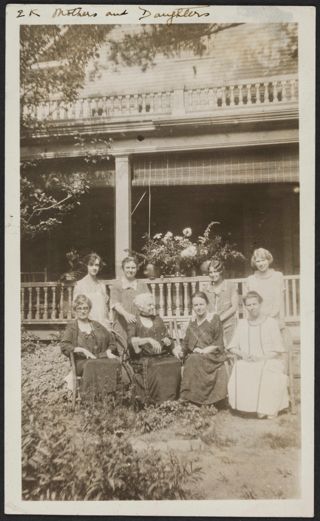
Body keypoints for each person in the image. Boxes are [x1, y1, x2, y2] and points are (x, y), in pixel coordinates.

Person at [227, 291, 289, 419]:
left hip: (270, 359)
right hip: (248, 359)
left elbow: (278, 350)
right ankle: (248, 408)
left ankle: (266, 409)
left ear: (260, 304)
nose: (252, 307)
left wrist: (261, 358)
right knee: (240, 367)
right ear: (245, 307)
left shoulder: (271, 323)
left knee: (266, 369)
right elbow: (232, 347)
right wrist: (243, 354)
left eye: (254, 304)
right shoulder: (242, 324)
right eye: (248, 305)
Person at [61, 294, 121, 401]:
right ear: (75, 310)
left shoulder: (97, 325)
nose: (83, 311)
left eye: (85, 308)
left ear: (89, 309)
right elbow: (65, 345)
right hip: (81, 362)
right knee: (92, 364)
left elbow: (112, 341)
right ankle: (90, 400)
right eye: (79, 308)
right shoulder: (72, 327)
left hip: (99, 358)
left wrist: (108, 351)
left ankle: (110, 397)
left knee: (114, 362)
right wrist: (82, 350)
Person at [126, 293, 182, 404]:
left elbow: (168, 337)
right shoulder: (134, 321)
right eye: (149, 305)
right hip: (144, 357)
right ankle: (159, 401)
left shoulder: (158, 319)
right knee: (157, 366)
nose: (153, 307)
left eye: (153, 304)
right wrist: (148, 340)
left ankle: (172, 400)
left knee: (174, 362)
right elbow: (130, 342)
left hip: (162, 355)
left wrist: (167, 340)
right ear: (141, 307)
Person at [180, 292, 228, 406]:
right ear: (193, 307)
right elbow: (186, 342)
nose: (199, 307)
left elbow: (219, 343)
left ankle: (193, 399)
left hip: (212, 355)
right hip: (196, 355)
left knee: (193, 359)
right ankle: (193, 399)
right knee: (192, 358)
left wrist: (204, 351)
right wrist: (181, 350)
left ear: (207, 304)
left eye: (201, 304)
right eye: (195, 305)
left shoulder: (214, 319)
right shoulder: (192, 322)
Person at [110, 256, 150, 354]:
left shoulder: (142, 285)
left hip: (139, 324)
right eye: (127, 267)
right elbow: (115, 304)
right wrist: (126, 314)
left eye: (133, 268)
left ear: (137, 269)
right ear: (123, 268)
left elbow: (148, 302)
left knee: (140, 352)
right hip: (122, 324)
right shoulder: (117, 285)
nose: (130, 270)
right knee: (124, 353)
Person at [244, 248, 285, 328]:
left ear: (269, 260)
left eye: (263, 260)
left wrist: (272, 319)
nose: (261, 264)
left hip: (274, 319)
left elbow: (279, 301)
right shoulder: (250, 280)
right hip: (256, 320)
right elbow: (248, 304)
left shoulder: (277, 276)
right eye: (258, 261)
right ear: (254, 263)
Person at [202, 259, 238, 345]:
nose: (213, 274)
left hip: (228, 323)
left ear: (221, 271)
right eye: (210, 272)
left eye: (215, 271)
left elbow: (234, 307)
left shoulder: (231, 286)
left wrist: (219, 319)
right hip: (212, 325)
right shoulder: (206, 288)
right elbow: (204, 306)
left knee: (230, 348)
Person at [73, 253, 110, 330]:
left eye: (96, 265)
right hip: (86, 327)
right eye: (91, 264)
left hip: (101, 326)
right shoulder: (80, 285)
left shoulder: (102, 286)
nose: (94, 268)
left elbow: (105, 309)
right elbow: (76, 310)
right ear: (86, 266)